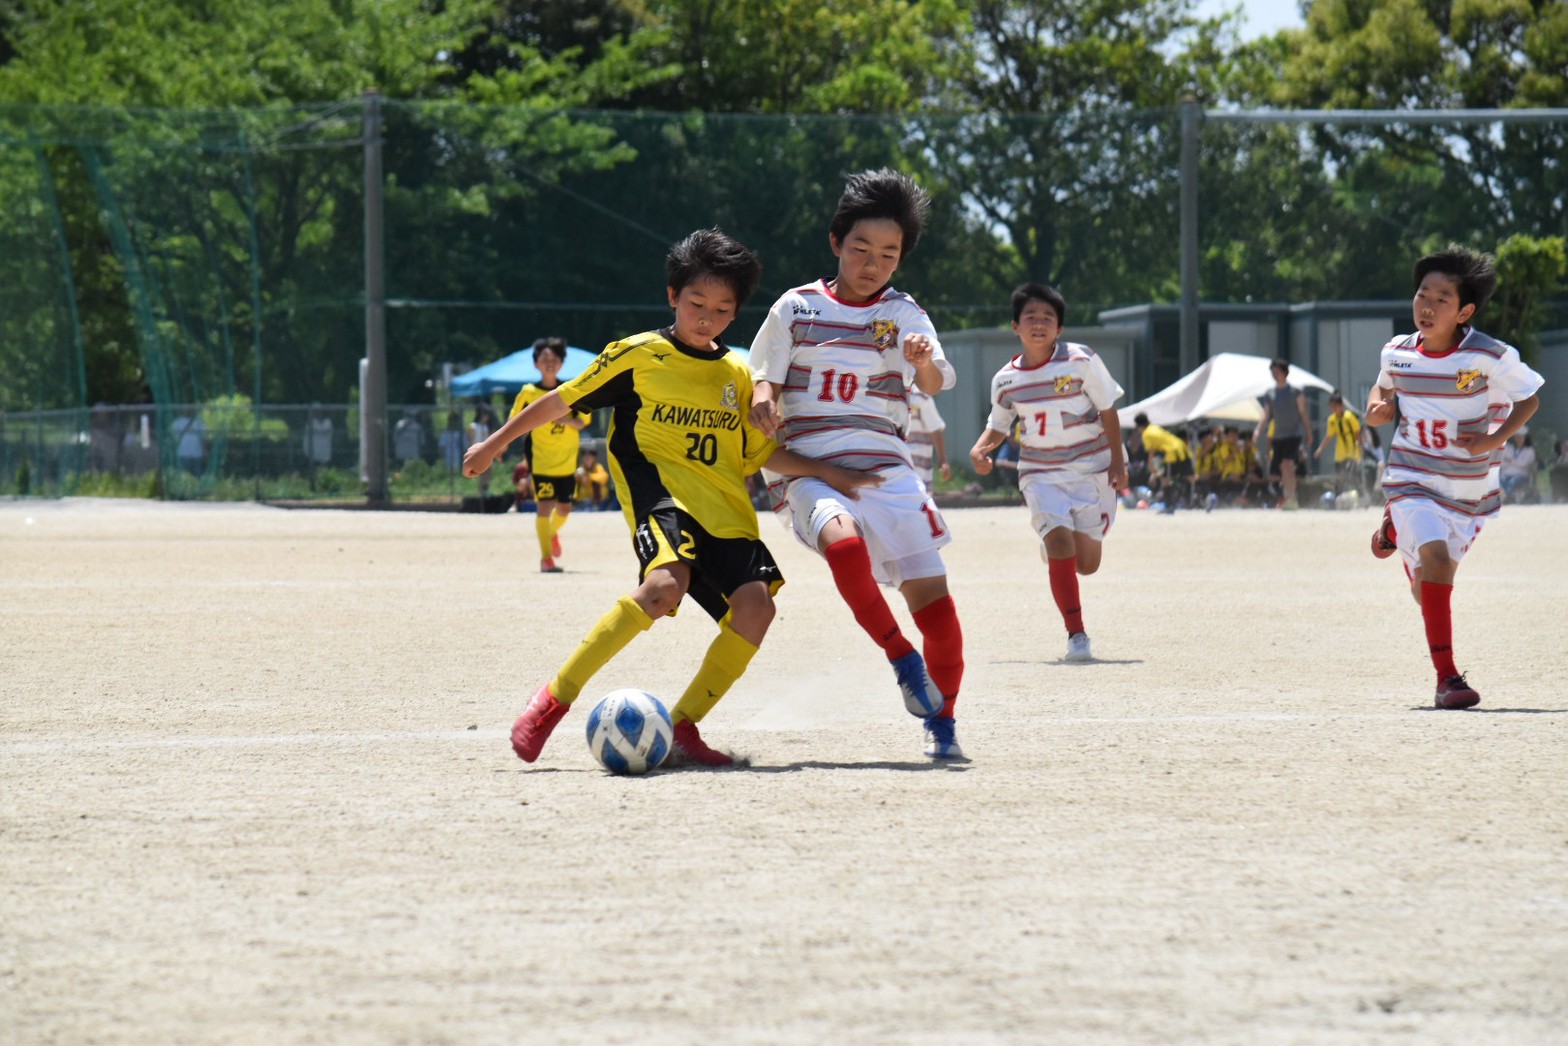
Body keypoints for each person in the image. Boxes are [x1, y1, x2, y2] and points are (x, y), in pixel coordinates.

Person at [463, 227, 877, 768]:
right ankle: (552, 700)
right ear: (672, 297)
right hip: (661, 498)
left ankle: (683, 726)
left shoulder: (737, 374)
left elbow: (760, 456)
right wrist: (495, 445)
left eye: (722, 308)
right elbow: (561, 402)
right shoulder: (638, 355)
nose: (707, 317)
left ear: (735, 314)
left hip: (725, 512)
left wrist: (832, 473)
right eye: (696, 302)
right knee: (662, 586)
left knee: (757, 609)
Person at [748, 169, 969, 761]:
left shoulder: (903, 314)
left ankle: (943, 722)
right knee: (844, 549)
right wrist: (764, 393)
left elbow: (934, 379)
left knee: (942, 619)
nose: (873, 264)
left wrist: (921, 363)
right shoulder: (795, 308)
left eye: (889, 254)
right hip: (810, 470)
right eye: (861, 249)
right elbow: (760, 374)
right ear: (835, 244)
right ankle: (901, 657)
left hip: (885, 473)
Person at [1366, 246, 1543, 710]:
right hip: (1411, 478)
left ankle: (1391, 531)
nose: (1426, 305)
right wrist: (1378, 406)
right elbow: (1384, 382)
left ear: (1465, 310)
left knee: (1425, 591)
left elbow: (1530, 399)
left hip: (1469, 491)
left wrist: (1492, 440)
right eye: (1422, 294)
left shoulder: (1490, 356)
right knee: (1438, 565)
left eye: (1441, 298)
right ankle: (1448, 679)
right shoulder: (1398, 352)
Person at [969, 282, 1126, 662]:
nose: (1039, 324)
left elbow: (1107, 409)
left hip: (1091, 469)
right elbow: (999, 423)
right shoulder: (1005, 380)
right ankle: (1076, 634)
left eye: (1047, 318)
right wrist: (979, 447)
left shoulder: (1081, 361)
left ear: (1059, 329)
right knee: (1061, 545)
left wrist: (1118, 461)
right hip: (1040, 473)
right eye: (1030, 317)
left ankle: (1057, 549)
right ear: (1015, 327)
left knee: (1087, 565)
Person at [510, 338, 590, 572]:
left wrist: (564, 419)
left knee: (565, 509)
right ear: (536, 364)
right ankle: (546, 559)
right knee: (544, 506)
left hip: (566, 461)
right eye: (544, 359)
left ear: (562, 364)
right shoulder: (528, 392)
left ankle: (551, 533)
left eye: (554, 359)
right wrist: (500, 446)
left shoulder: (570, 391)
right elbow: (514, 420)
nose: (549, 363)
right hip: (541, 460)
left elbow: (583, 422)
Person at [1254, 358, 1313, 509]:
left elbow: (1303, 413)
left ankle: (1290, 497)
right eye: (1272, 371)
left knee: (1288, 464)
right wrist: (1258, 430)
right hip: (1278, 436)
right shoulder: (1270, 394)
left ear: (1285, 373)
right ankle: (1288, 496)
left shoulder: (1295, 392)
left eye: (1277, 371)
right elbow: (1266, 415)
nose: (1274, 374)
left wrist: (1309, 431)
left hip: (1293, 435)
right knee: (1281, 468)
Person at [1132, 413, 1191, 512]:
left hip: (1170, 453)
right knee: (1189, 477)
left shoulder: (1147, 434)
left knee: (1165, 480)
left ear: (1139, 426)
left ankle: (1169, 505)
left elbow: (1152, 452)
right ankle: (1194, 500)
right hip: (1181, 449)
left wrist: (1152, 471)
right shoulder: (1155, 427)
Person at [1314, 391, 1364, 500]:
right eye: (1332, 406)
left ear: (1341, 405)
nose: (1334, 408)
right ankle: (1338, 498)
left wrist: (1360, 450)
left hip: (1352, 453)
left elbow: (1358, 434)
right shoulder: (1332, 420)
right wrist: (1320, 448)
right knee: (1339, 477)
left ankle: (1361, 498)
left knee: (1354, 477)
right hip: (1340, 454)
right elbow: (1329, 436)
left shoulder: (1349, 417)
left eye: (1335, 406)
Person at [905, 388, 951, 490]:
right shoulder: (886, 395)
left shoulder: (920, 397)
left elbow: (934, 429)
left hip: (919, 469)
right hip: (896, 465)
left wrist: (943, 459)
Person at [1498, 428, 1537, 504]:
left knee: (1512, 482)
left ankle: (1507, 498)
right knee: (1500, 480)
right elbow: (1502, 461)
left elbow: (1524, 464)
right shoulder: (1509, 448)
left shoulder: (1529, 450)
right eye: (1517, 437)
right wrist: (1515, 462)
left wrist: (1510, 460)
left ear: (1525, 439)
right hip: (1506, 473)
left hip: (1520, 475)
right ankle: (1506, 497)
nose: (1519, 439)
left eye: (1521, 437)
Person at [171, 408, 205, 474]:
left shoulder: (199, 422)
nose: (188, 410)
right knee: (182, 475)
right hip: (182, 453)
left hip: (196, 454)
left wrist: (204, 451)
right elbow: (173, 440)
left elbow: (203, 439)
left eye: (190, 408)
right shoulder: (177, 423)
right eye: (186, 408)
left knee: (196, 475)